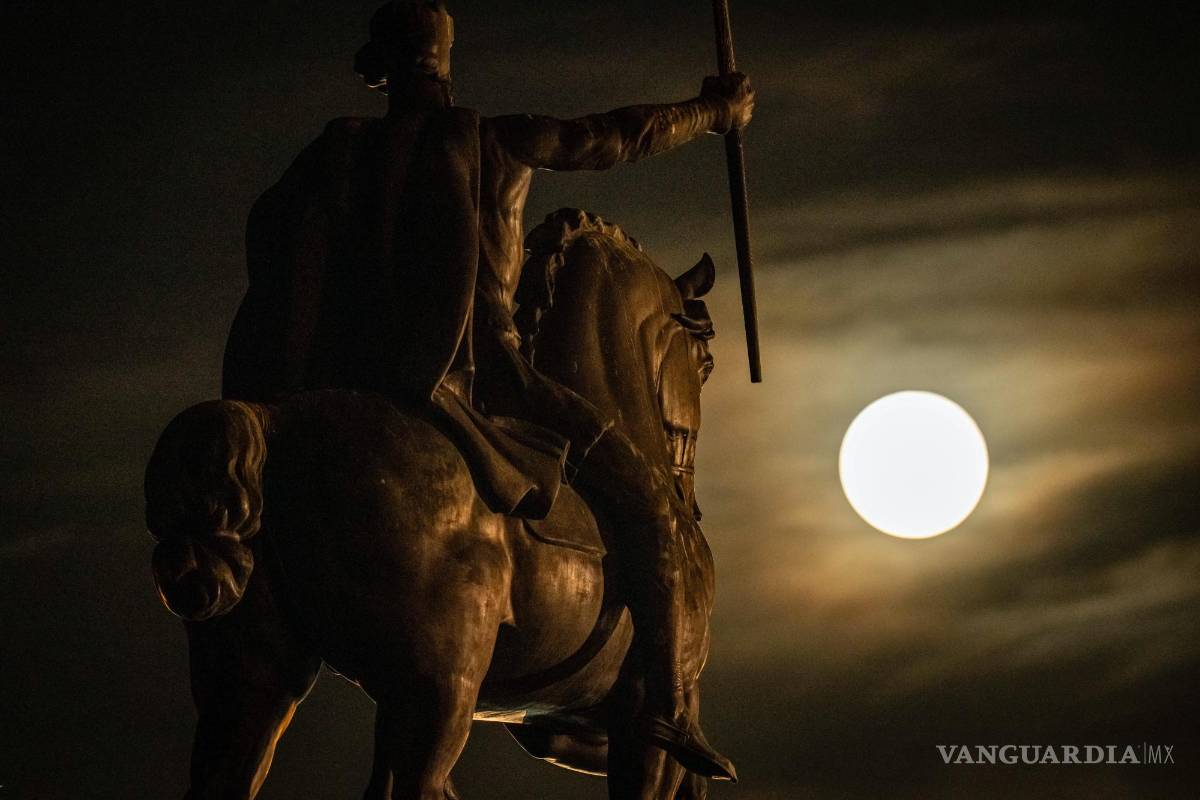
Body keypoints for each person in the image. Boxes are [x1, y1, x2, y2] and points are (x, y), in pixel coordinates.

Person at [223, 0, 753, 780]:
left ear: (382, 70)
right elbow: (614, 135)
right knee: (649, 503)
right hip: (489, 374)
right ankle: (669, 706)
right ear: (443, 57)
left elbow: (272, 244)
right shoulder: (495, 138)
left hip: (345, 382)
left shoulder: (332, 153)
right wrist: (712, 110)